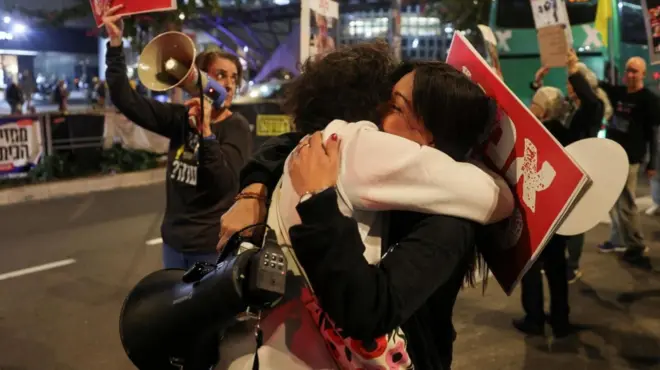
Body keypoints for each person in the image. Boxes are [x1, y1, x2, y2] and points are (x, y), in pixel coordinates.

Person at [217, 43, 514, 369]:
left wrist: (306, 198)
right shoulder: (354, 149)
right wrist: (255, 192)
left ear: (432, 135)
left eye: (394, 106)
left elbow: (371, 311)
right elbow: (499, 199)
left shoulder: (449, 219)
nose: (378, 115)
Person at [102, 5, 252, 270]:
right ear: (202, 77)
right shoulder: (180, 119)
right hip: (174, 244)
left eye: (233, 77)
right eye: (220, 75)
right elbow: (126, 99)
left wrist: (206, 134)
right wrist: (115, 44)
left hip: (211, 248)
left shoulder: (236, 127)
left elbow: (224, 183)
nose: (228, 84)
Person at [516, 85, 584, 338]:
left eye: (534, 102)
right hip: (559, 212)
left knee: (531, 268)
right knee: (557, 268)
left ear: (541, 109)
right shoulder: (568, 134)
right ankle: (560, 319)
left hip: (535, 213)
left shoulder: (532, 134)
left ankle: (534, 318)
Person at [597, 56, 660, 267]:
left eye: (635, 71)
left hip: (630, 158)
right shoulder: (619, 93)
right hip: (611, 156)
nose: (631, 75)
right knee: (615, 203)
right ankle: (620, 240)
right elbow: (595, 84)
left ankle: (637, 245)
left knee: (627, 204)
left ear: (643, 74)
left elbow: (653, 133)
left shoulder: (649, 100)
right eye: (628, 71)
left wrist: (652, 163)